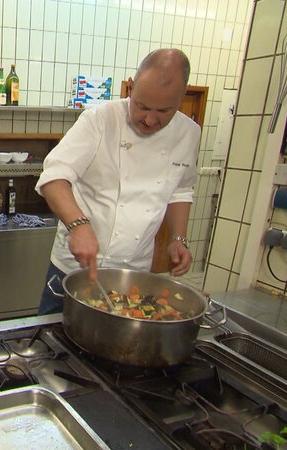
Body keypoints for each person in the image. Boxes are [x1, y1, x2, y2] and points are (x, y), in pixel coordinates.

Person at [36, 48, 198, 315]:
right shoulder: (100, 119)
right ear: (131, 87)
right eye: (142, 106)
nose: (149, 119)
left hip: (131, 273)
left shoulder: (189, 134)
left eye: (163, 112)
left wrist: (178, 238)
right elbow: (54, 177)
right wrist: (78, 225)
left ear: (182, 97)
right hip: (74, 268)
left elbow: (181, 189)